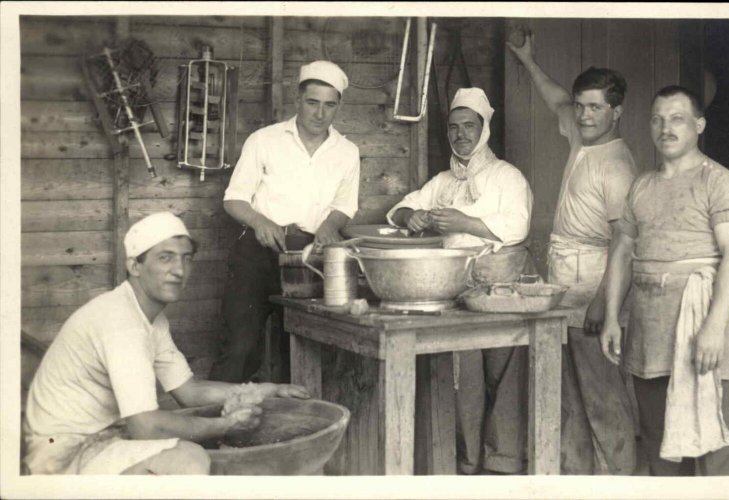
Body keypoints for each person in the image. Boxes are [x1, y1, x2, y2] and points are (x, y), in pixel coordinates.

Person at [22, 212, 310, 475]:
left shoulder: (150, 319)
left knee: (192, 447)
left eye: (186, 258)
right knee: (188, 459)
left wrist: (268, 390)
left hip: (103, 437)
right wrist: (225, 425)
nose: (179, 270)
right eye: (165, 258)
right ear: (135, 265)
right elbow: (146, 427)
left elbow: (190, 392)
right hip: (61, 455)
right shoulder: (121, 322)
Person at [601, 86, 729, 475]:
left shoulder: (719, 182)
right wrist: (613, 317)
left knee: (717, 440)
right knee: (658, 442)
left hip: (700, 328)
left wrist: (714, 327)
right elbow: (621, 250)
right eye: (657, 119)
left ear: (699, 124)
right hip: (649, 332)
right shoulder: (642, 186)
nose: (665, 128)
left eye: (677, 118)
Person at [507, 34, 638, 474]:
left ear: (616, 112)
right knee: (569, 391)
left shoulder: (617, 166)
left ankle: (618, 477)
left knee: (601, 392)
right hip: (564, 277)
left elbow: (626, 241)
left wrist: (606, 303)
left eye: (595, 107)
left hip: (596, 281)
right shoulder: (582, 140)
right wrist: (528, 59)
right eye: (582, 106)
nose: (583, 114)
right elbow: (556, 99)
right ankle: (576, 476)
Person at [387, 87, 533, 475]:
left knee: (504, 375)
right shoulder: (442, 181)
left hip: (501, 287)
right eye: (454, 127)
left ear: (484, 129)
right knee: (463, 377)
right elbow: (399, 208)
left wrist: (465, 223)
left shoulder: (508, 176)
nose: (461, 134)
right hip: (456, 290)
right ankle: (467, 465)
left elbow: (518, 226)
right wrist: (409, 218)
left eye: (469, 126)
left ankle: (503, 464)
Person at [209, 60, 360, 383]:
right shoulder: (264, 140)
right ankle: (215, 429)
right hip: (257, 253)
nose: (320, 113)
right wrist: (260, 221)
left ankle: (291, 430)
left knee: (298, 348)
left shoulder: (347, 152)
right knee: (240, 347)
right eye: (312, 103)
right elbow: (233, 198)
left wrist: (330, 225)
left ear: (339, 107)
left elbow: (345, 204)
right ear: (297, 101)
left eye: (329, 105)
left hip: (309, 259)